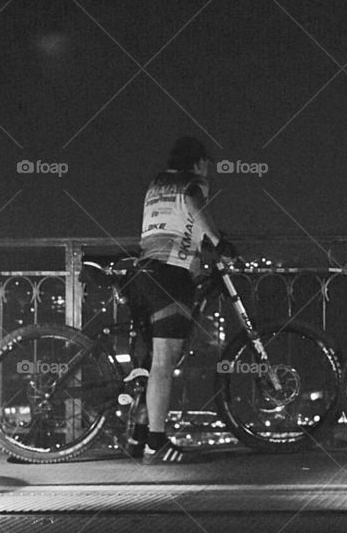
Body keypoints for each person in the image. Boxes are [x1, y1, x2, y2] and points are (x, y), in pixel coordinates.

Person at [127, 136, 235, 464]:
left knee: (151, 363)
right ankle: (156, 444)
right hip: (169, 276)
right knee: (164, 362)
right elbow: (192, 205)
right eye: (209, 164)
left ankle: (138, 436)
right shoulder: (192, 183)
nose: (211, 171)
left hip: (144, 272)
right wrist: (219, 242)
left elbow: (173, 226)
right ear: (199, 162)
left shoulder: (157, 183)